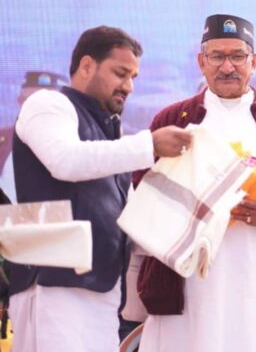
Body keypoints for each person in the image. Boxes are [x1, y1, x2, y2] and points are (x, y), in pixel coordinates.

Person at [131, 14, 256, 352]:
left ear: (254, 61)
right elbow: (142, 190)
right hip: (184, 283)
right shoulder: (173, 119)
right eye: (217, 56)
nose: (227, 67)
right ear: (201, 62)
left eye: (237, 56)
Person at [7, 26, 192, 352]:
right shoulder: (47, 103)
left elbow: (132, 224)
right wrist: (149, 145)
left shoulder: (112, 138)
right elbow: (65, 161)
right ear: (87, 65)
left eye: (133, 77)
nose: (128, 86)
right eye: (120, 73)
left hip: (104, 293)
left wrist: (198, 229)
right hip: (54, 286)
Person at [0, 70, 69, 203]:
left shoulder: (80, 142)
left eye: (44, 103)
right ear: (19, 101)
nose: (35, 109)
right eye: (28, 101)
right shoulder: (3, 139)